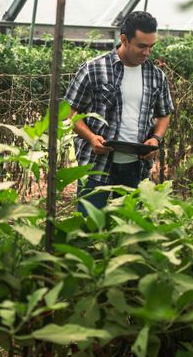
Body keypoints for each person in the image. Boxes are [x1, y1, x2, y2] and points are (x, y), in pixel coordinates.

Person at [64, 11, 173, 214]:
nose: (147, 52)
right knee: (90, 228)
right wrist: (90, 138)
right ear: (124, 39)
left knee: (130, 230)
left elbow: (164, 113)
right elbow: (70, 113)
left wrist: (156, 138)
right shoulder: (93, 69)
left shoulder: (156, 76)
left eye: (151, 46)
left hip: (136, 168)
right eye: (142, 46)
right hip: (96, 165)